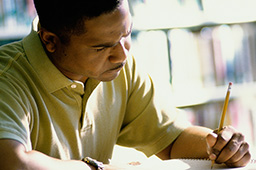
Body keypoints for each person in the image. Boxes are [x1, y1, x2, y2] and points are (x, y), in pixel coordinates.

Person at [0, 0, 251, 169]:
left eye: (126, 34)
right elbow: (13, 162)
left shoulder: (119, 68)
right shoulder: (7, 78)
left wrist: (219, 145)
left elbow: (171, 139)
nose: (122, 55)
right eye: (102, 47)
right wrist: (96, 168)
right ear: (50, 40)